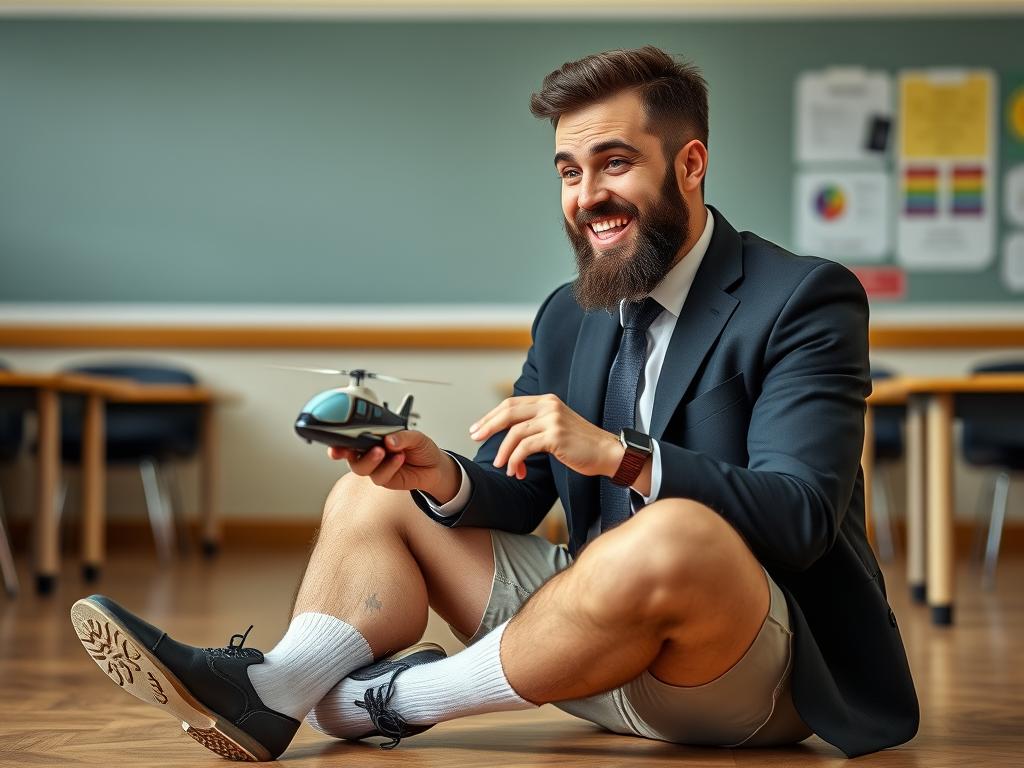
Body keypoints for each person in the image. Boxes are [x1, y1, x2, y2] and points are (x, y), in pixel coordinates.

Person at [71, 46, 918, 762]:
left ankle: (390, 702)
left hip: (742, 673)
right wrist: (441, 477)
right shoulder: (569, 311)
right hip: (586, 651)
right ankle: (274, 692)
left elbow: (804, 516)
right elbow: (526, 494)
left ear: (689, 164)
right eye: (569, 171)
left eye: (615, 163)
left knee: (675, 529)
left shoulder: (803, 298)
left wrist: (622, 454)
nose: (587, 196)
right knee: (377, 490)